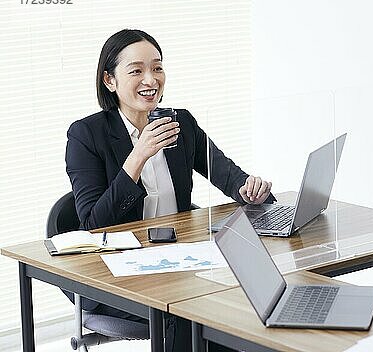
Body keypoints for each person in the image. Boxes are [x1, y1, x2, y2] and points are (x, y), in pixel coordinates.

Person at [66, 29, 274, 351]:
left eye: (157, 68)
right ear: (110, 81)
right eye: (136, 70)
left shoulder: (181, 122)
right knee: (190, 309)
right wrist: (138, 156)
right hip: (116, 274)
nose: (151, 79)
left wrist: (250, 188)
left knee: (243, 292)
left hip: (177, 259)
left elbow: (228, 175)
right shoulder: (86, 135)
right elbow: (95, 224)